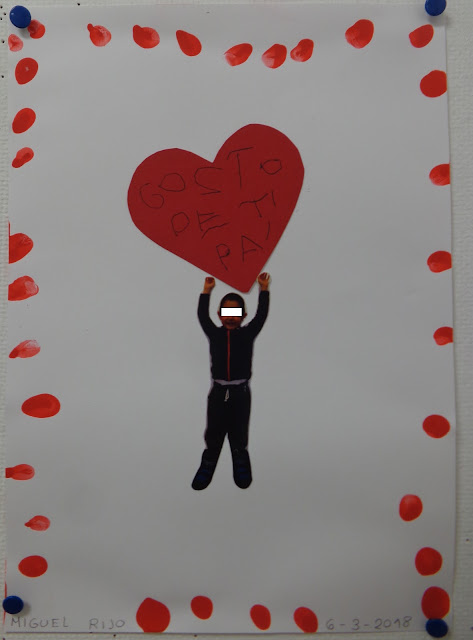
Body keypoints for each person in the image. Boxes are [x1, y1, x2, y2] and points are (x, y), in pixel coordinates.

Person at [192, 273, 270, 490]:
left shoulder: (247, 334)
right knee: (214, 432)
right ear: (219, 314)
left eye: (235, 313)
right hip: (217, 393)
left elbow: (261, 316)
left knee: (239, 431)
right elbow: (202, 316)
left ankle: (240, 460)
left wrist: (264, 289)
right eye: (227, 313)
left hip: (240, 393)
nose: (230, 318)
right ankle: (208, 462)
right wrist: (206, 291)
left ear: (243, 315)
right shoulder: (214, 334)